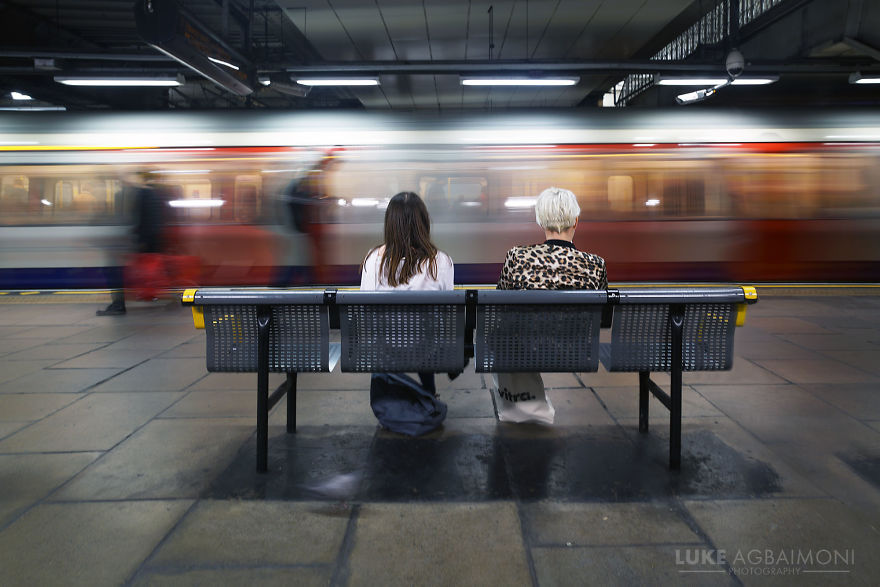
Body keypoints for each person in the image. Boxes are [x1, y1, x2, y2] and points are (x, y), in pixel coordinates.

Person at [494, 186, 607, 423]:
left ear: (540, 222)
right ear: (576, 222)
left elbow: (499, 306)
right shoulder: (596, 264)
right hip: (576, 352)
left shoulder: (517, 257)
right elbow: (604, 319)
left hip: (524, 349)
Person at [360, 191, 454, 394]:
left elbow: (364, 310)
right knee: (424, 334)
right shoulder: (441, 262)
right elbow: (448, 312)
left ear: (390, 224)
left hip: (384, 350)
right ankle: (429, 391)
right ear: (424, 223)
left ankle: (384, 393)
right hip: (428, 352)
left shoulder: (372, 258)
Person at [97, 174, 168, 315]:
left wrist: (139, 244)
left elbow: (142, 222)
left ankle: (118, 305)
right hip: (140, 243)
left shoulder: (139, 194)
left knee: (113, 271)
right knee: (117, 271)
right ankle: (121, 302)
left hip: (137, 244)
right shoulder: (146, 193)